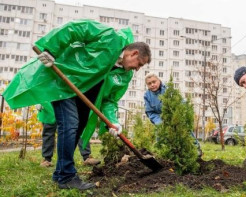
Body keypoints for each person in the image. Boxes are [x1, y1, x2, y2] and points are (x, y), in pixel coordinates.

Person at [3, 19, 151, 190]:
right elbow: (74, 29)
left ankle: (60, 174)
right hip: (65, 85)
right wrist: (52, 50)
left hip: (85, 99)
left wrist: (113, 121)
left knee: (77, 129)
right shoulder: (110, 37)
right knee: (70, 124)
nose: (137, 69)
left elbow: (110, 100)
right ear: (132, 53)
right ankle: (66, 176)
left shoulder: (125, 75)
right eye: (139, 64)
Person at [143, 73, 202, 157]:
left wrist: (180, 113)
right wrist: (158, 121)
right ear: (147, 85)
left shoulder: (168, 89)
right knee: (160, 132)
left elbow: (179, 101)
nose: (152, 85)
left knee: (185, 129)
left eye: (154, 82)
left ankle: (196, 148)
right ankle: (161, 153)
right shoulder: (147, 96)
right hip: (160, 119)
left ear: (159, 80)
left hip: (174, 116)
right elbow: (150, 112)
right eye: (149, 83)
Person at [36, 103, 100, 167]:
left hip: (65, 101)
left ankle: (87, 157)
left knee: (79, 127)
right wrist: (38, 101)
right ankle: (47, 159)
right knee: (48, 130)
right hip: (47, 103)